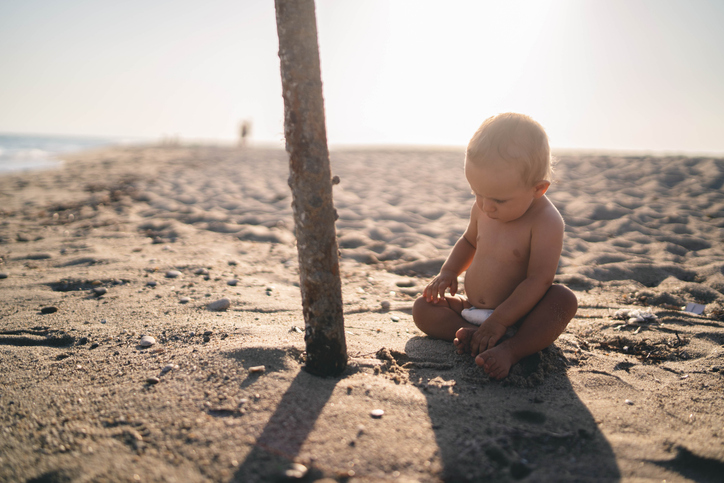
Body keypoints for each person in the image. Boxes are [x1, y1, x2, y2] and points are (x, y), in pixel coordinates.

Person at [412, 113, 578, 380]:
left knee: (563, 300)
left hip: (520, 317)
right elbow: (468, 241)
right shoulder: (484, 208)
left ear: (538, 189)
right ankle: (475, 336)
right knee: (423, 307)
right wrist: (449, 272)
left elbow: (539, 279)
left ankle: (512, 349)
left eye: (498, 200)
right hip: (472, 311)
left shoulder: (546, 221)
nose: (486, 206)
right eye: (476, 193)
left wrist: (500, 320)